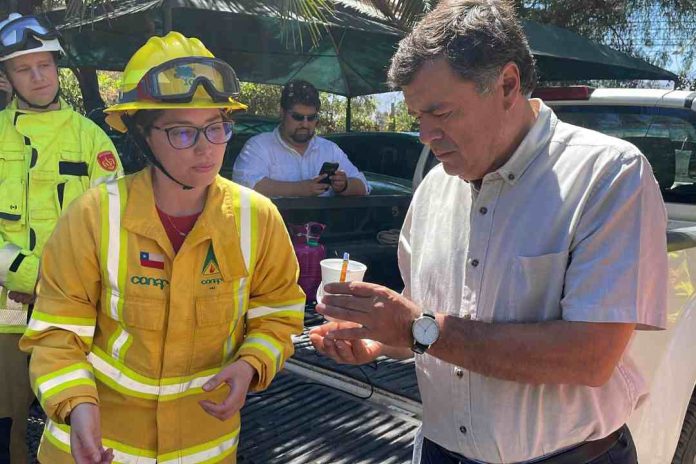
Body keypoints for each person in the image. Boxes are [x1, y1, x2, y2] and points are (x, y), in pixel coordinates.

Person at [309, 1, 667, 464]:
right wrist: (376, 340)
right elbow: (418, 324)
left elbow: (591, 357)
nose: (425, 135)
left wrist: (419, 329)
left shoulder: (608, 174)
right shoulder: (434, 188)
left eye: (441, 112)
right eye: (418, 117)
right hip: (439, 452)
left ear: (507, 84)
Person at [19, 31, 306, 464]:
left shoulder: (257, 219)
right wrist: (78, 407)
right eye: (182, 133)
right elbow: (57, 334)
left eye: (216, 127)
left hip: (205, 450)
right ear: (142, 134)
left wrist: (250, 366)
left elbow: (278, 314)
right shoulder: (92, 216)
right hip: (91, 449)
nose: (207, 148)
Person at [0, 13, 122, 463]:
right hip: (7, 314)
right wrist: (29, 277)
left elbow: (114, 223)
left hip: (77, 312)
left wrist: (62, 285)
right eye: (23, 68)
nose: (37, 77)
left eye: (44, 66)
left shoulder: (92, 140)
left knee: (81, 419)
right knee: (6, 425)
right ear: (6, 77)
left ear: (57, 67)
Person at [232, 79, 369, 197]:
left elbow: (363, 186)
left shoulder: (330, 150)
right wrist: (302, 189)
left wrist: (344, 186)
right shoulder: (258, 146)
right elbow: (245, 186)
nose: (305, 124)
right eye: (298, 117)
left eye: (311, 118)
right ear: (282, 113)